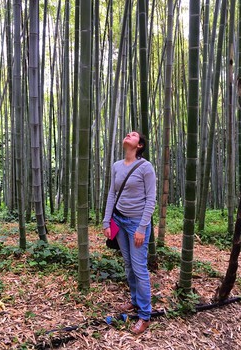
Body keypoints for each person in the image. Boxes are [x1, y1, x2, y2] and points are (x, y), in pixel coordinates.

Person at [103, 131, 156, 334]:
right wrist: (106, 220)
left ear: (139, 145)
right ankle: (135, 301)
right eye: (128, 133)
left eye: (133, 135)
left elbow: (151, 199)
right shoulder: (117, 165)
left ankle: (145, 315)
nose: (129, 134)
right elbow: (112, 193)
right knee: (128, 264)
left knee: (139, 267)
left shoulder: (146, 167)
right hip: (119, 220)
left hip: (136, 224)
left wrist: (142, 228)